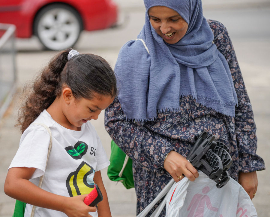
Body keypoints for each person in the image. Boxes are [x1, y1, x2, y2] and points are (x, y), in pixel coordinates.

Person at [104, 0, 265, 216]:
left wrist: (248, 165)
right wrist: (164, 155)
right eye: (155, 19)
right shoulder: (138, 54)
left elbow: (240, 104)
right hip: (163, 182)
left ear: (191, 10)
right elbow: (116, 121)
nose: (165, 29)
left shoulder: (215, 36)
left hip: (220, 173)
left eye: (174, 19)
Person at [4, 49, 117, 217]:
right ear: (68, 95)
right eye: (92, 109)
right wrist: (65, 205)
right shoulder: (43, 132)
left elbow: (97, 182)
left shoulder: (86, 129)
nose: (95, 117)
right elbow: (12, 184)